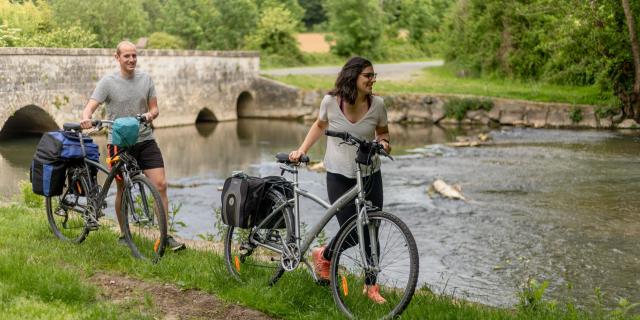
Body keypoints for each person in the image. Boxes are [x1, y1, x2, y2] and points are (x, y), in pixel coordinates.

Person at [289, 56, 390, 303]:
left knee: (372, 227)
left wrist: (384, 144)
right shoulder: (331, 102)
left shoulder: (378, 105)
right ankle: (324, 254)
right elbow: (319, 124)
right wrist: (302, 150)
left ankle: (371, 286)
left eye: (374, 75)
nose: (372, 80)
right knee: (353, 231)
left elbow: (384, 134)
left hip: (369, 175)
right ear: (353, 76)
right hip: (338, 174)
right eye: (368, 75)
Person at [80, 41, 185, 251]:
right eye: (126, 56)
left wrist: (149, 114)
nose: (131, 60)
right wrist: (86, 118)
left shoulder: (146, 79)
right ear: (117, 57)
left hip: (145, 140)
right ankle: (123, 233)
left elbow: (155, 109)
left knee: (161, 185)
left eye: (134, 56)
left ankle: (164, 236)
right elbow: (90, 107)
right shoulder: (108, 82)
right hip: (118, 144)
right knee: (122, 189)